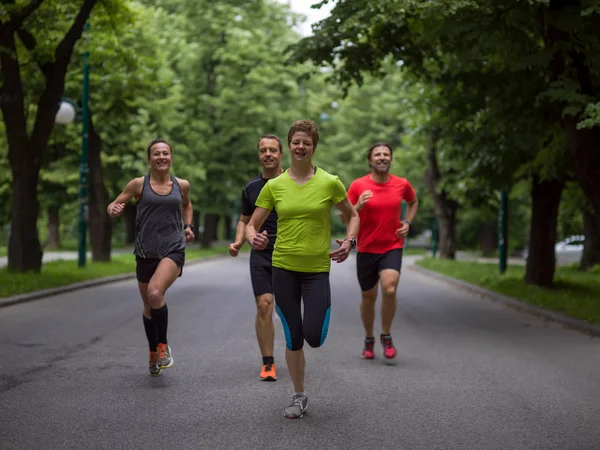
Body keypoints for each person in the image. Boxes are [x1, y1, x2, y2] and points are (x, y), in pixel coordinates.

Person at [245, 120, 359, 419]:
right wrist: (252, 238)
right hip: (282, 267)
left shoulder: (330, 182)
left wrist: (350, 241)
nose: (300, 146)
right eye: (295, 142)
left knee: (314, 336)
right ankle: (298, 395)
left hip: (317, 269)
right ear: (290, 145)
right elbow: (252, 223)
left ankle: (301, 383)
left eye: (306, 142)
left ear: (313, 147)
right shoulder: (274, 186)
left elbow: (352, 215)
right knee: (293, 335)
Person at [106, 138, 194, 376]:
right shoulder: (138, 185)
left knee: (155, 293)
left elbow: (187, 205)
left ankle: (163, 347)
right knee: (148, 305)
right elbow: (115, 203)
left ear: (171, 157)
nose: (162, 157)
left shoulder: (181, 184)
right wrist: (113, 208)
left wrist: (187, 226)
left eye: (166, 153)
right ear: (150, 159)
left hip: (173, 248)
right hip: (145, 251)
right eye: (157, 154)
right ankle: (152, 353)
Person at [347, 142, 419, 361]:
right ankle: (369, 338)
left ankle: (386, 335)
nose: (382, 157)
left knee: (389, 289)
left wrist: (408, 221)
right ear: (370, 160)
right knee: (368, 296)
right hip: (367, 247)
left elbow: (413, 201)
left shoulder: (401, 184)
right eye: (377, 154)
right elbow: (345, 216)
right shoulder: (358, 185)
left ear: (390, 159)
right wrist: (357, 205)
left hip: (392, 245)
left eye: (386, 154)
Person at [229, 134, 284, 382]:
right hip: (261, 254)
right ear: (259, 155)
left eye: (273, 149)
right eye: (263, 150)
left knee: (289, 309)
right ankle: (268, 362)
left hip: (290, 254)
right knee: (264, 304)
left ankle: (295, 354)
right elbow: (244, 220)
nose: (268, 154)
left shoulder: (293, 182)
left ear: (281, 154)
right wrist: (240, 240)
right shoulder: (250, 188)